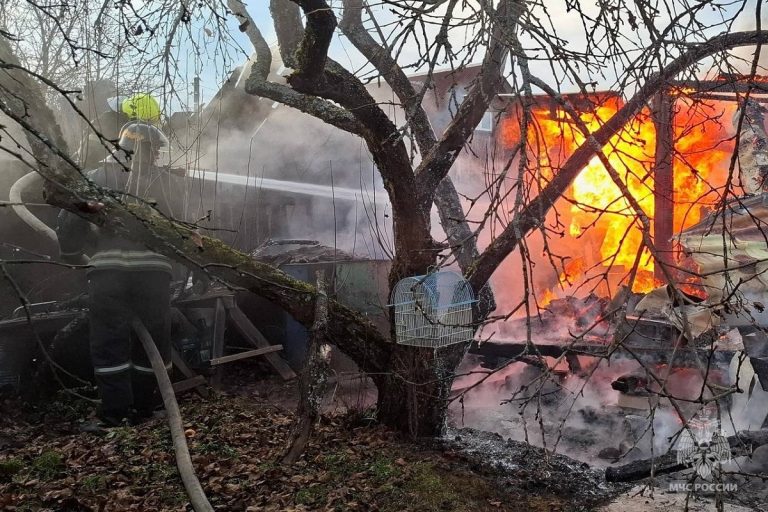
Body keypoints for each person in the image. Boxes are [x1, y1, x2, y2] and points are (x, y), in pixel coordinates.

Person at [58, 120, 175, 427]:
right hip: (154, 275)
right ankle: (147, 405)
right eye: (154, 150)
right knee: (152, 339)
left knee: (110, 342)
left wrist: (71, 254)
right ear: (143, 150)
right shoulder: (166, 183)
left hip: (109, 274)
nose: (156, 156)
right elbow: (187, 231)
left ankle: (116, 412)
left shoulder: (97, 178)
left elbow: (70, 217)